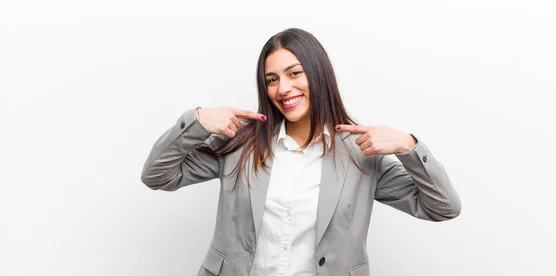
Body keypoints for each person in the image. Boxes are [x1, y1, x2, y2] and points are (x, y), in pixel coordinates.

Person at [141, 28, 461, 276]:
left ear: (317, 74)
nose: (283, 89)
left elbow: (442, 207)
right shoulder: (241, 144)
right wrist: (196, 121)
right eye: (272, 79)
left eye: (295, 73)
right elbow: (158, 175)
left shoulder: (360, 154)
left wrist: (409, 146)